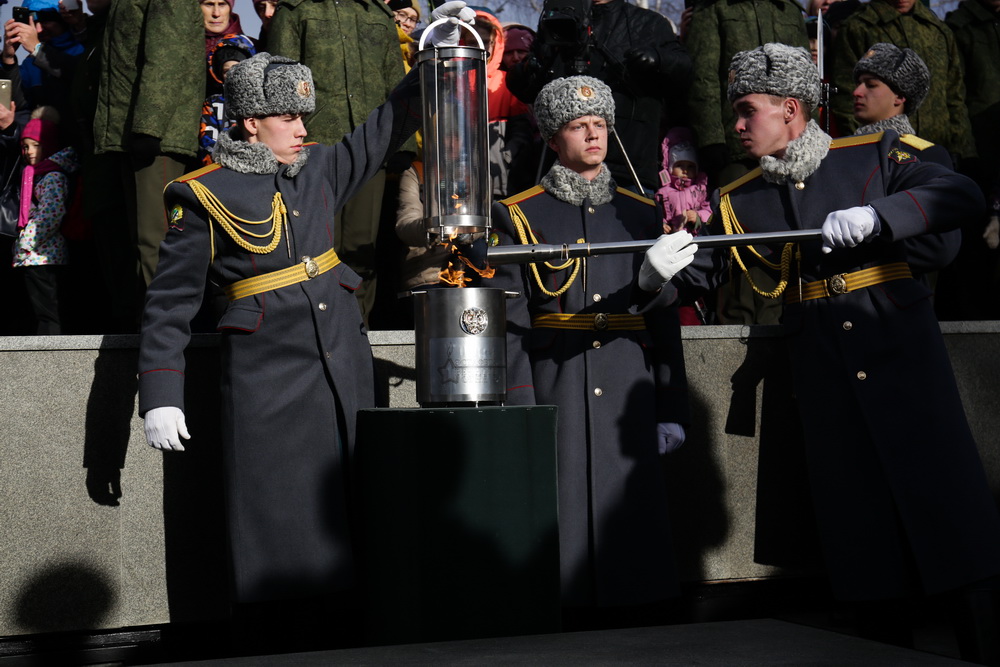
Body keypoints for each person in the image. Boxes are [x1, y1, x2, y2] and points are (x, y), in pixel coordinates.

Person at [645, 42, 1000, 658]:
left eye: (746, 111)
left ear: (791, 108)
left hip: (899, 356)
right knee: (860, 539)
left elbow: (961, 195)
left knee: (953, 520)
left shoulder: (876, 154)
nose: (734, 126)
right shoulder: (741, 197)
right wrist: (658, 274)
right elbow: (705, 273)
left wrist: (881, 216)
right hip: (824, 375)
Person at [138, 2, 471, 640]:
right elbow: (169, 303)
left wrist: (433, 47)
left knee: (347, 499)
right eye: (288, 116)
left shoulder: (319, 168)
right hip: (267, 370)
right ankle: (280, 635)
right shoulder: (201, 193)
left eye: (302, 115)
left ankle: (356, 624)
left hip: (341, 358)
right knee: (276, 508)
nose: (300, 128)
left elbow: (385, 124)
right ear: (250, 123)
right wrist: (160, 390)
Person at [487, 76, 690, 626]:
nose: (593, 135)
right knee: (564, 508)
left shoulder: (640, 213)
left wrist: (672, 407)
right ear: (554, 139)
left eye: (600, 124)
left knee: (633, 508)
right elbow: (512, 321)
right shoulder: (519, 213)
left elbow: (665, 321)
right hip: (557, 376)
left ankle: (639, 615)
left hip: (629, 377)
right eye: (579, 126)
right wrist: (523, 406)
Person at [268, 0, 416, 326]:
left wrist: (402, 142)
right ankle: (314, 332)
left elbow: (395, 78)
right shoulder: (296, 10)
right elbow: (280, 79)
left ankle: (357, 331)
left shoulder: (375, 13)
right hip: (311, 148)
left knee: (361, 248)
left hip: (372, 148)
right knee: (315, 246)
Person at [92, 0, 204, 329]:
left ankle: (167, 344)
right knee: (143, 245)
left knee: (156, 244)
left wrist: (147, 128)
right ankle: (153, 336)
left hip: (156, 139)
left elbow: (167, 58)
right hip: (132, 136)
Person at [507, 0, 692, 195]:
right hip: (562, 168)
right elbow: (523, 88)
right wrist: (534, 65)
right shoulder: (559, 21)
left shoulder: (647, 23)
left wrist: (658, 59)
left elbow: (684, 74)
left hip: (628, 165)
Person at [830, 0, 974, 161]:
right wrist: (859, 147)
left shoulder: (937, 29)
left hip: (935, 148)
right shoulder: (859, 27)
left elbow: (954, 95)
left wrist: (962, 149)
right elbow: (845, 96)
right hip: (878, 152)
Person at [941, 0, 1000, 321]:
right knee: (975, 249)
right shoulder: (959, 27)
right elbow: (956, 93)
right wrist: (963, 150)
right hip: (978, 151)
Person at [13, 108, 78, 335]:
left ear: (48, 144)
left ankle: (49, 352)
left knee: (48, 311)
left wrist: (25, 243)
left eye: (36, 145)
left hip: (44, 254)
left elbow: (51, 213)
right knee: (41, 310)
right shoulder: (36, 174)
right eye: (25, 146)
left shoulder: (52, 176)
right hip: (36, 254)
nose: (29, 152)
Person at [655, 125, 709, 325]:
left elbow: (708, 209)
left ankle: (695, 312)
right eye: (680, 166)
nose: (685, 171)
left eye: (690, 166)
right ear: (670, 166)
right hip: (670, 243)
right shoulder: (664, 191)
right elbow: (656, 212)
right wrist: (661, 224)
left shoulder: (700, 189)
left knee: (693, 282)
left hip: (692, 241)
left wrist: (699, 217)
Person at [198, 34, 256, 165]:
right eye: (226, 71)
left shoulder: (260, 101)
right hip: (222, 167)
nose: (233, 75)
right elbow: (207, 141)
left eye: (238, 69)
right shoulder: (213, 103)